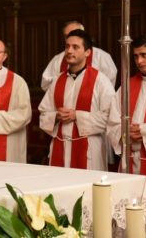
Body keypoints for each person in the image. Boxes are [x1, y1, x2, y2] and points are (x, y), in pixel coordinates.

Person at [107, 34, 146, 217]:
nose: (139, 61)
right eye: (136, 56)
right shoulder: (127, 85)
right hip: (131, 160)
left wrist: (145, 132)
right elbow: (112, 121)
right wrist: (124, 132)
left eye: (144, 55)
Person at [39, 29, 115, 171]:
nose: (69, 51)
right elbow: (44, 113)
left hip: (89, 148)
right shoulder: (57, 81)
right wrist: (55, 116)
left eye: (75, 47)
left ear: (87, 52)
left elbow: (110, 117)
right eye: (67, 46)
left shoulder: (101, 81)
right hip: (60, 145)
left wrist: (77, 116)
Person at [41, 21, 117, 91]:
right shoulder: (58, 59)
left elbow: (108, 85)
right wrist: (66, 81)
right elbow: (45, 84)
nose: (71, 38)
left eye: (76, 34)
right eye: (67, 36)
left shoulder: (102, 56)